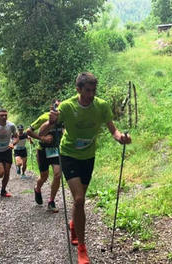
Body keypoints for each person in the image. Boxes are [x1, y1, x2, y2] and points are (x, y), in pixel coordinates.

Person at [40, 73, 131, 264]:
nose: (91, 94)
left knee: (78, 202)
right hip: (69, 155)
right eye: (87, 90)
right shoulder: (67, 106)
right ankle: (82, 248)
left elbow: (113, 130)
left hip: (88, 156)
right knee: (79, 199)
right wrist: (51, 121)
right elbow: (42, 132)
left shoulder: (101, 106)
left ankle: (75, 223)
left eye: (93, 90)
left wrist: (121, 137)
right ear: (78, 89)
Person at [27, 99, 63, 213]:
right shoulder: (44, 117)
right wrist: (42, 138)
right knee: (44, 176)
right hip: (43, 150)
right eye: (56, 108)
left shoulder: (64, 118)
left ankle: (51, 201)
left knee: (58, 174)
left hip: (55, 150)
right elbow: (29, 131)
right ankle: (37, 189)